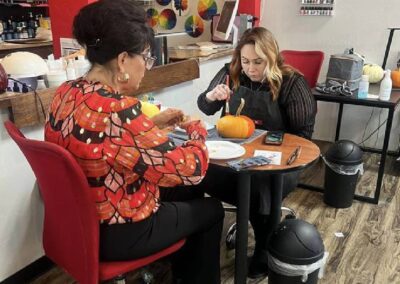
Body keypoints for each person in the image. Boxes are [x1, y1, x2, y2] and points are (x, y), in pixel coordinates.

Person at [44, 1, 224, 283]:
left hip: (78, 224)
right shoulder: (119, 110)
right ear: (123, 60)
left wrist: (152, 124)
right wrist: (198, 130)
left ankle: (165, 271)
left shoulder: (66, 93)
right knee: (211, 209)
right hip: (119, 231)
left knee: (185, 196)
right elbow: (191, 169)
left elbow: (98, 141)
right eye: (146, 58)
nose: (147, 67)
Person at [197, 27, 317, 279]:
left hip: (277, 164)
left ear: (272, 57)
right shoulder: (233, 74)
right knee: (197, 171)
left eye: (258, 62)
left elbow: (303, 137)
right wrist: (211, 96)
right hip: (232, 154)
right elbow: (205, 107)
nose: (250, 68)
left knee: (258, 186)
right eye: (246, 61)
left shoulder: (292, 82)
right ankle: (196, 248)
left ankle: (265, 248)